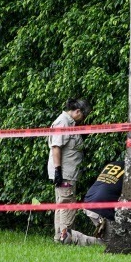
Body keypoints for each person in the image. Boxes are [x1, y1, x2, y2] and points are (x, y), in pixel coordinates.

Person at [48, 98, 92, 242]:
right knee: (68, 204)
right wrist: (58, 171)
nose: (83, 119)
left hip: (67, 172)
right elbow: (56, 146)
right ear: (77, 111)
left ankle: (59, 237)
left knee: (62, 204)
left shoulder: (69, 123)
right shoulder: (63, 122)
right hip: (65, 173)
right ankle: (66, 238)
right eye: (83, 116)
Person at [60, 160, 125, 246]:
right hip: (101, 207)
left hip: (89, 200)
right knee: (111, 243)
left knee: (112, 235)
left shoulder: (114, 164)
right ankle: (73, 237)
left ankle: (70, 235)